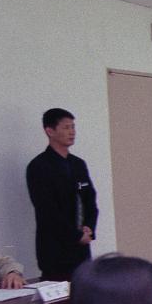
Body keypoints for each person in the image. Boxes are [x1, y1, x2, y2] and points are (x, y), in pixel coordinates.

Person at [26, 108, 99, 281]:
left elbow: (90, 199)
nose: (72, 132)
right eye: (66, 127)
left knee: (85, 293)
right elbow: (47, 210)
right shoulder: (39, 166)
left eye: (73, 127)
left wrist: (89, 227)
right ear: (50, 131)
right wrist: (75, 235)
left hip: (82, 245)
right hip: (55, 247)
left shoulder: (78, 164)